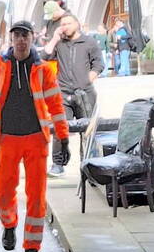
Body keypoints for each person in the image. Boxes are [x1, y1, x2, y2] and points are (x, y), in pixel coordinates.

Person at [0, 21, 70, 252]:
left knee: (36, 196)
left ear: (32, 38)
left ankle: (32, 248)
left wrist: (63, 137)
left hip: (36, 139)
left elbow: (56, 104)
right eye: (17, 36)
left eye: (25, 35)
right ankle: (9, 225)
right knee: (2, 191)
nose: (21, 40)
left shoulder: (43, 69)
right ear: (11, 39)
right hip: (9, 139)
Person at [40, 13, 105, 177]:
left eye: (68, 23)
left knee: (89, 130)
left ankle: (91, 165)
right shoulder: (60, 43)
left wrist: (89, 78)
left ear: (77, 24)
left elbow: (99, 63)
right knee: (60, 128)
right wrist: (54, 38)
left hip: (85, 94)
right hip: (63, 93)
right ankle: (58, 164)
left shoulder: (89, 42)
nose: (65, 26)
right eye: (62, 24)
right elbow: (44, 57)